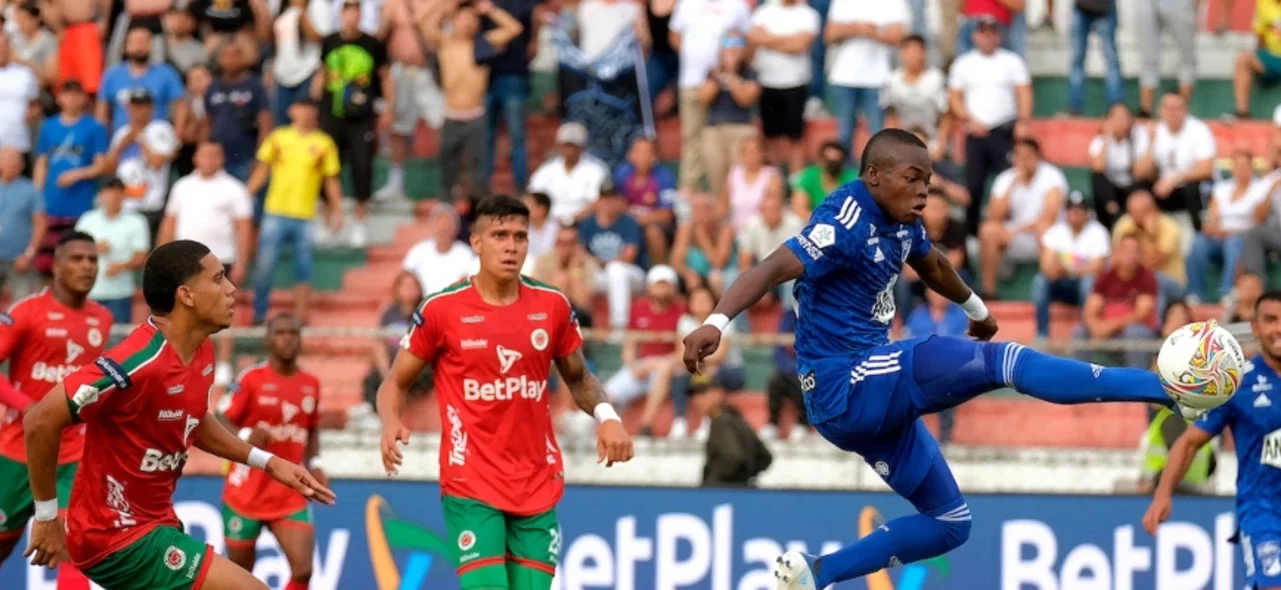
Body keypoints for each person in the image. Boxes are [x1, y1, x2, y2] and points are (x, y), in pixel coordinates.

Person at [681, 129, 1200, 589]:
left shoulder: (902, 221)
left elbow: (931, 265)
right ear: (874, 175)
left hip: (857, 404)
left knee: (951, 522)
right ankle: (1163, 389)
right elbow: (772, 268)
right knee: (1002, 362)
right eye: (912, 178)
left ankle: (816, 573)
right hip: (847, 379)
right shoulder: (845, 219)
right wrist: (716, 322)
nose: (924, 190)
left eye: (928, 181)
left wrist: (977, 309)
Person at [21, 239, 335, 589]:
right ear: (186, 295)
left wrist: (269, 462)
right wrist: (46, 517)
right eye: (218, 279)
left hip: (156, 523)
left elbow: (194, 421)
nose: (232, 289)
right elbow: (40, 421)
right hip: (114, 535)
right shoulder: (135, 363)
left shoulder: (202, 353)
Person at [377, 195, 633, 590]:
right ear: (476, 243)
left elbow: (579, 377)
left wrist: (608, 416)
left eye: (519, 236)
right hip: (470, 481)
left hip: (536, 480)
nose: (511, 246)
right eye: (499, 235)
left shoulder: (551, 305)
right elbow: (395, 381)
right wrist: (390, 420)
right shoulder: (442, 310)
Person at [1143, 291, 1281, 590]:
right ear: (1255, 327)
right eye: (1271, 320)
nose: (1279, 328)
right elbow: (1189, 442)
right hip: (1264, 510)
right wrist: (1164, 494)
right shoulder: (1238, 384)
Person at [0, 231, 109, 589]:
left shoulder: (102, 318)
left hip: (74, 454)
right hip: (19, 452)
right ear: (58, 266)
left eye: (92, 260)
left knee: (71, 547)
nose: (87, 267)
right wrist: (29, 407)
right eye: (77, 259)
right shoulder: (26, 312)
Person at [218, 314, 327, 590]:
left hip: (289, 492)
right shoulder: (251, 379)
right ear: (267, 340)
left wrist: (316, 463)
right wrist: (246, 435)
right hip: (246, 492)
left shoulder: (311, 383)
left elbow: (312, 428)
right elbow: (220, 419)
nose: (287, 339)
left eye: (293, 333)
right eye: (280, 333)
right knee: (240, 579)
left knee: (303, 570)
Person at [247, 97, 344, 326]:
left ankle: (301, 318)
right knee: (265, 265)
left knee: (304, 268)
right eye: (302, 109)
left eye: (310, 110)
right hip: (276, 210)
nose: (306, 114)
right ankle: (259, 314)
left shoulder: (323, 143)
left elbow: (331, 179)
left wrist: (337, 210)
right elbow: (263, 169)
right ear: (292, 111)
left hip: (305, 214)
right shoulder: (278, 138)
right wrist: (246, 193)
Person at [420, 0, 524, 201]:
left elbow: (515, 28)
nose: (469, 22)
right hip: (451, 116)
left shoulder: (484, 43)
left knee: (478, 174)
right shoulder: (445, 42)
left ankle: (477, 211)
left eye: (473, 19)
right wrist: (444, 3)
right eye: (464, 18)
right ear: (454, 20)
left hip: (476, 117)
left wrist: (490, 10)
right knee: (447, 173)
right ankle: (446, 208)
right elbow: (421, 21)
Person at [316, 0, 394, 247]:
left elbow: (385, 77)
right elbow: (322, 73)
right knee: (329, 167)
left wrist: (388, 108)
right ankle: (328, 220)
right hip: (332, 113)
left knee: (362, 166)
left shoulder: (372, 44)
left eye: (355, 13)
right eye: (347, 13)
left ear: (360, 16)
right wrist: (314, 104)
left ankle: (360, 222)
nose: (351, 18)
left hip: (362, 116)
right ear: (340, 16)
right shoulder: (330, 42)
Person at [74, 179, 150, 323]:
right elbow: (73, 250)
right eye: (109, 193)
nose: (113, 197)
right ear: (101, 195)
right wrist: (94, 248)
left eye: (118, 193)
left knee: (118, 335)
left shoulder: (136, 221)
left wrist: (122, 266)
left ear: (124, 196)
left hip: (120, 293)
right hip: (88, 291)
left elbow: (141, 257)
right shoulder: (87, 220)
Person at [0, 147, 44, 300]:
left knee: (23, 303)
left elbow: (41, 224)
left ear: (22, 165)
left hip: (19, 260)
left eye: (15, 162)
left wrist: (29, 254)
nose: (11, 165)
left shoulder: (31, 190)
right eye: (7, 161)